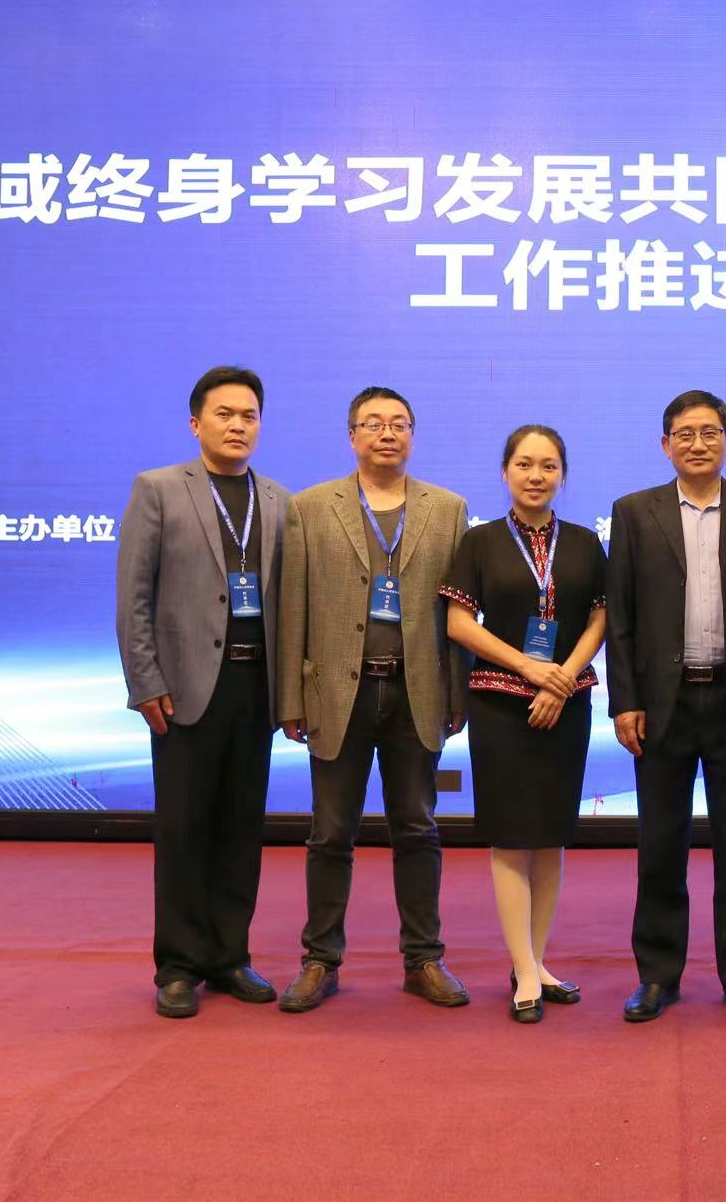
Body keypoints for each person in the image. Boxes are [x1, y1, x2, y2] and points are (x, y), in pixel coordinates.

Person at [275, 386, 472, 1013]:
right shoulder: (309, 507)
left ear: (412, 434)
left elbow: (459, 612)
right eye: (374, 423)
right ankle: (320, 960)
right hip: (338, 692)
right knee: (330, 833)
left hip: (417, 690)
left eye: (399, 424)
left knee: (417, 828)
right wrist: (290, 697)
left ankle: (424, 960)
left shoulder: (448, 509)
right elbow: (293, 607)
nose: (387, 433)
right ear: (352, 435)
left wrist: (458, 691)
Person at [606, 389, 726, 1024]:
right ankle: (657, 976)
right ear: (665, 445)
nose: (697, 443)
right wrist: (625, 701)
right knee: (661, 845)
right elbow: (622, 617)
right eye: (684, 434)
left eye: (710, 432)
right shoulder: (634, 512)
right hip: (663, 704)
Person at [116, 365, 289, 1018]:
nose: (238, 425)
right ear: (196, 423)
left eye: (249, 415)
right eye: (225, 413)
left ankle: (229, 955)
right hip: (183, 689)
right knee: (185, 828)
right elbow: (133, 595)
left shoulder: (279, 501)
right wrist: (145, 681)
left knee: (242, 827)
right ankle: (180, 965)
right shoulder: (158, 488)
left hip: (256, 686)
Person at [440, 425, 607, 1024]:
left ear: (563, 474)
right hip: (500, 706)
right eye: (525, 464)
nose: (537, 475)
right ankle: (524, 969)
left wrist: (561, 678)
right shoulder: (479, 541)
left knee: (551, 836)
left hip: (568, 701)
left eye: (549, 465)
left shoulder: (586, 542)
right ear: (505, 471)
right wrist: (530, 668)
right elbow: (460, 624)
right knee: (512, 837)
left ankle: (536, 963)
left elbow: (600, 619)